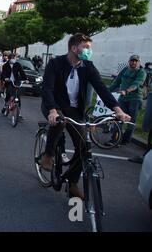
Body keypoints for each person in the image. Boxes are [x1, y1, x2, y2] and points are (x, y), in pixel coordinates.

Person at [39, 33, 130, 199]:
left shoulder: (88, 66)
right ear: (74, 48)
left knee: (84, 148)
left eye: (90, 48)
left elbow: (102, 89)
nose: (89, 51)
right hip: (54, 104)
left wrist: (117, 109)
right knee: (59, 122)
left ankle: (72, 182)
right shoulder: (55, 63)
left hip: (74, 109)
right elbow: (47, 89)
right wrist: (52, 109)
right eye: (86, 47)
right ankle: (48, 155)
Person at [108, 55, 146, 145]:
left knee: (131, 121)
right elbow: (117, 82)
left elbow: (137, 83)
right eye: (132, 61)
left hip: (135, 99)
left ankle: (125, 140)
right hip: (123, 98)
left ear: (139, 62)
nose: (134, 62)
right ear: (129, 61)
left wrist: (127, 90)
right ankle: (115, 139)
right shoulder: (125, 70)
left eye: (136, 61)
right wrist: (106, 92)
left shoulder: (141, 72)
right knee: (118, 118)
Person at [1, 53, 27, 118]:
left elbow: (22, 72)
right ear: (9, 59)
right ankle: (5, 105)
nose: (13, 59)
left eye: (14, 58)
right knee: (9, 93)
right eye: (12, 58)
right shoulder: (5, 65)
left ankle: (19, 113)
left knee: (17, 96)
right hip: (9, 82)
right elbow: (3, 74)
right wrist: (4, 78)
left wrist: (25, 79)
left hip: (16, 81)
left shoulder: (17, 64)